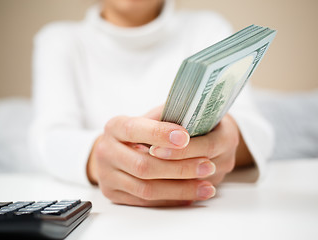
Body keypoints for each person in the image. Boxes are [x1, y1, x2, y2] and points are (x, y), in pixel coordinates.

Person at [30, 0, 274, 207]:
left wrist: (228, 139)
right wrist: (98, 158)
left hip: (209, 210)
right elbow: (46, 139)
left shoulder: (207, 28)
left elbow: (259, 132)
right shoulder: (59, 39)